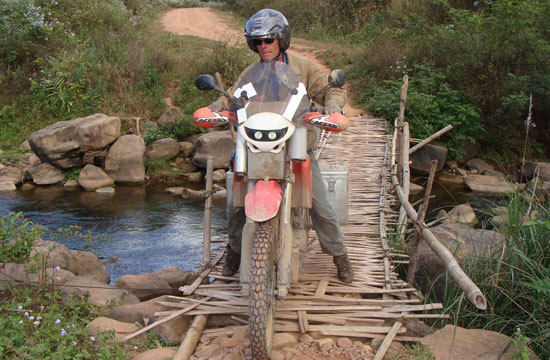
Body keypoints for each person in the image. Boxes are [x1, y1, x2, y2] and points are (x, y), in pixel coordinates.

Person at [209, 9, 354, 283]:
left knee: (320, 205)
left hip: (295, 143)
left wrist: (332, 108)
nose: (263, 46)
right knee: (236, 204)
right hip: (256, 145)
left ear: (281, 39)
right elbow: (234, 96)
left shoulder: (302, 68)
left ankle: (340, 255)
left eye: (269, 39)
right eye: (258, 41)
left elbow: (332, 90)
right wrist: (216, 107)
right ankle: (235, 249)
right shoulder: (251, 73)